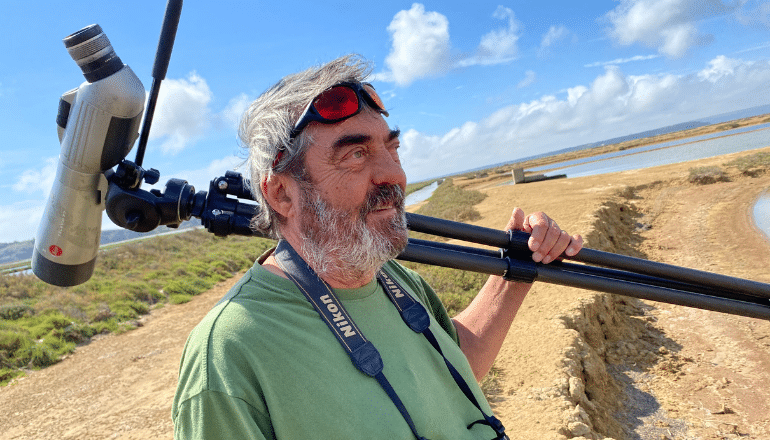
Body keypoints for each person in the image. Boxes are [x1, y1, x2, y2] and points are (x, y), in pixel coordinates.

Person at [172, 54, 583, 440]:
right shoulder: (228, 354)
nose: (393, 174)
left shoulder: (395, 279)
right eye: (355, 154)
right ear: (281, 194)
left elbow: (451, 368)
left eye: (391, 147)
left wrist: (515, 276)